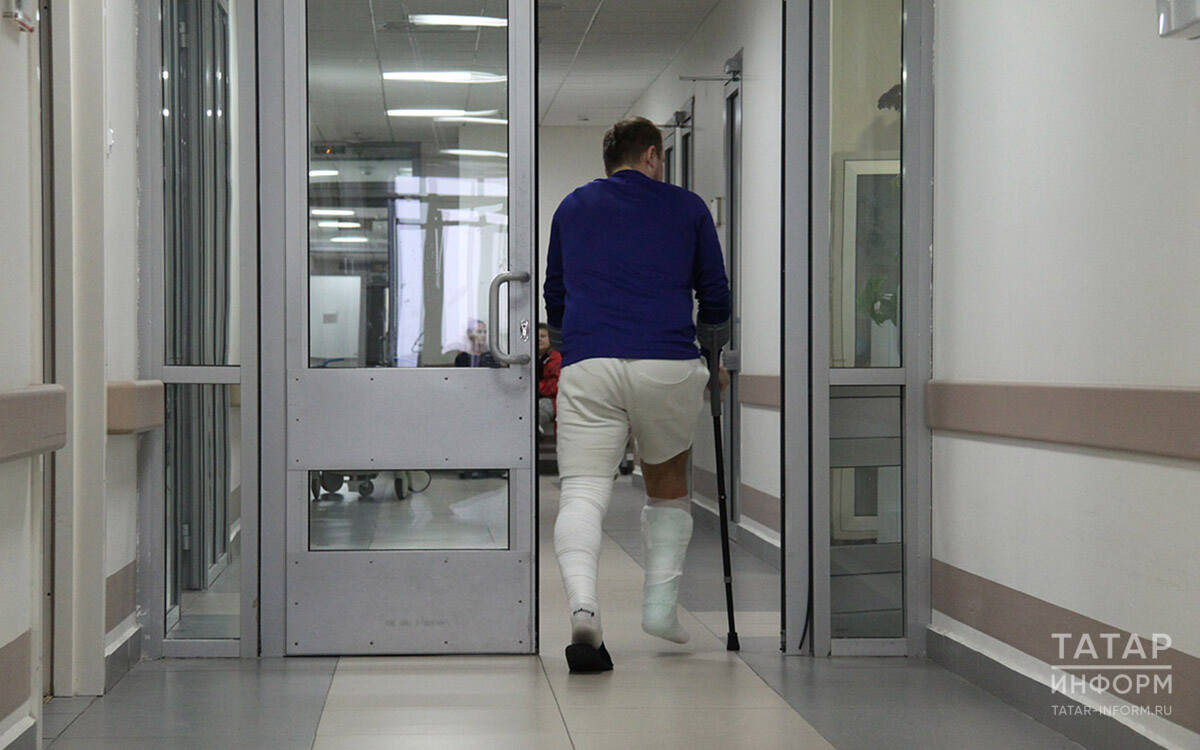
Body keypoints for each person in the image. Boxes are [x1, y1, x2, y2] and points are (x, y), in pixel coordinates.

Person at [544, 116, 731, 672]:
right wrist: (713, 354)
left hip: (591, 364)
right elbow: (715, 295)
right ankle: (659, 609)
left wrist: (574, 347)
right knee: (667, 487)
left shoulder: (572, 207)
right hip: (666, 363)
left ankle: (584, 608)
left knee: (582, 493)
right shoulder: (688, 207)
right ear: (651, 154)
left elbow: (555, 293)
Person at [537, 323, 562, 432]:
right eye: (536, 336)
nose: (539, 339)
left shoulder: (556, 358)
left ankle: (534, 427)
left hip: (554, 399)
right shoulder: (536, 357)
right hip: (541, 395)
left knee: (541, 407)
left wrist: (536, 387)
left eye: (543, 336)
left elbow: (555, 385)